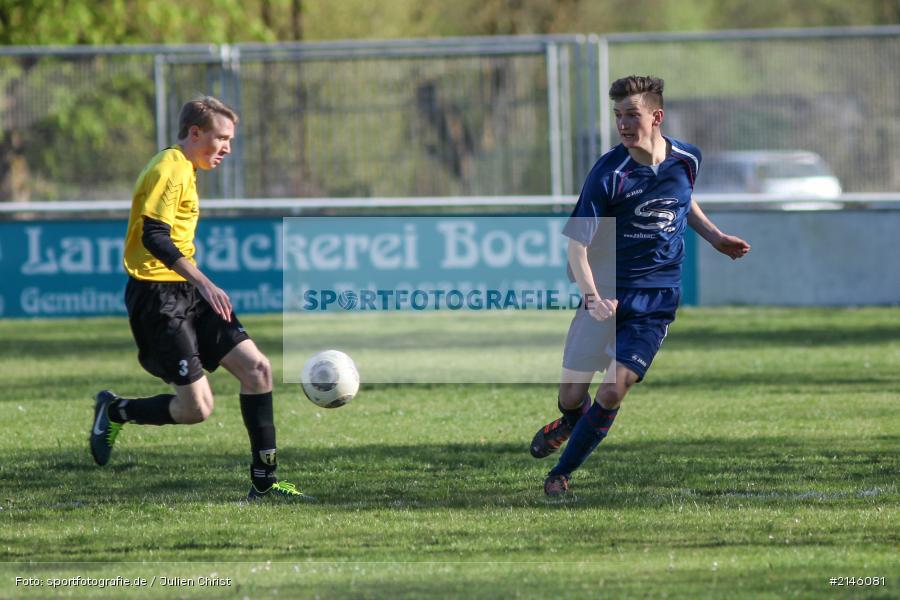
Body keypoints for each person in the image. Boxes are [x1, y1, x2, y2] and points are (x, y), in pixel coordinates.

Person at [530, 76, 750, 497]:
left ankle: (560, 473)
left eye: (632, 115)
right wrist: (592, 298)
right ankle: (570, 422)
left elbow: (683, 200)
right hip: (605, 292)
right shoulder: (608, 172)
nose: (624, 125)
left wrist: (716, 237)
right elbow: (576, 247)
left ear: (656, 116)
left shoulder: (688, 158)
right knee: (571, 396)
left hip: (656, 299)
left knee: (613, 390)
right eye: (618, 116)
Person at [90, 96, 313, 502]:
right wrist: (204, 281)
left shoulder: (188, 169)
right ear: (195, 133)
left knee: (258, 369)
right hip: (157, 298)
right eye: (221, 138)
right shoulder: (168, 169)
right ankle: (116, 410)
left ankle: (264, 483)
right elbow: (153, 236)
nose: (227, 147)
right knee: (196, 409)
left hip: (187, 291)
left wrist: (197, 285)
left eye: (230, 139)